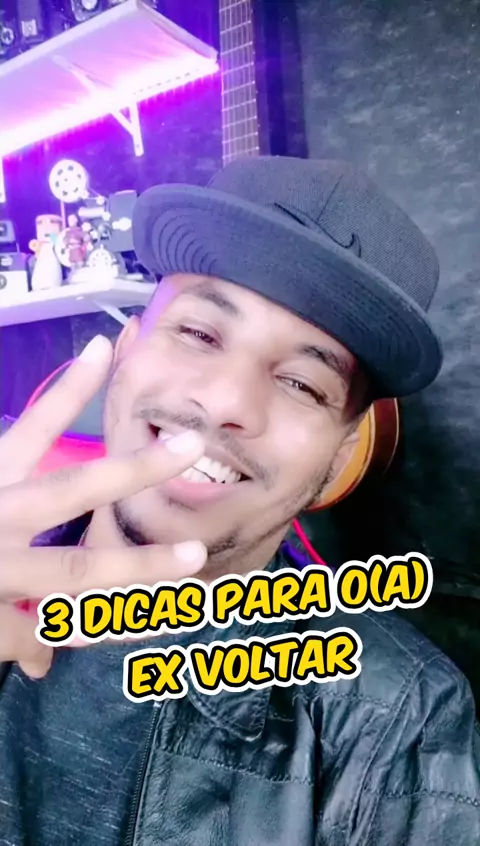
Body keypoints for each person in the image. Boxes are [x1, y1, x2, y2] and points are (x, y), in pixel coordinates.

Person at [0, 156, 479, 845]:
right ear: (126, 351)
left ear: (341, 456)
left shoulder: (404, 722)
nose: (227, 400)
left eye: (303, 384)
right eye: (198, 333)